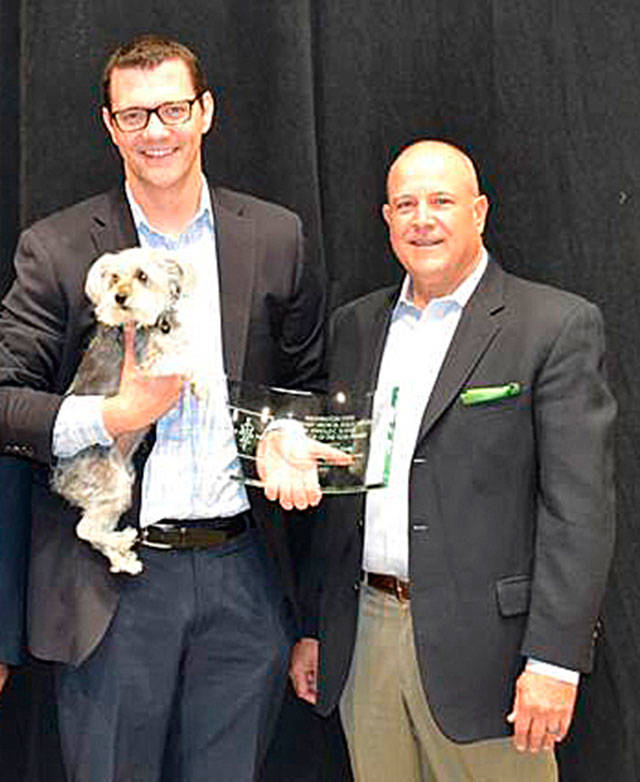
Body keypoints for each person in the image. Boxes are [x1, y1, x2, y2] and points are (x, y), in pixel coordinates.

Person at [0, 34, 325, 781]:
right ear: (111, 126)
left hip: (245, 575)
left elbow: (308, 380)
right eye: (136, 115)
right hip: (111, 585)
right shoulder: (54, 249)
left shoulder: (276, 238)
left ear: (206, 112)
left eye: (173, 109)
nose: (158, 132)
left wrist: (288, 434)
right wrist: (112, 416)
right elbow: (6, 401)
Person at [288, 140, 616, 781]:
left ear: (480, 211)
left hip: (492, 660)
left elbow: (579, 511)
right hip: (366, 640)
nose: (422, 218)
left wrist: (554, 661)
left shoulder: (553, 325)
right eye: (405, 204)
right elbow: (341, 494)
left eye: (441, 201)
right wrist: (316, 625)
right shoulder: (355, 327)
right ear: (386, 220)